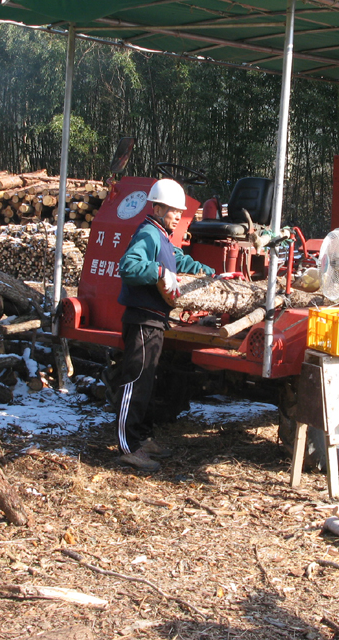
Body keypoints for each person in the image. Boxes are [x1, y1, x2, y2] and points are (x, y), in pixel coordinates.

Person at [114, 178, 214, 472]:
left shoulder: (162, 238)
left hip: (155, 320)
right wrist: (158, 271)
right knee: (135, 382)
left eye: (179, 212)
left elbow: (177, 260)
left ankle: (143, 437)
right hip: (142, 319)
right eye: (172, 211)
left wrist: (204, 270)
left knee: (147, 382)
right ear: (157, 209)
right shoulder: (147, 234)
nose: (177, 217)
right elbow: (129, 267)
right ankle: (128, 446)